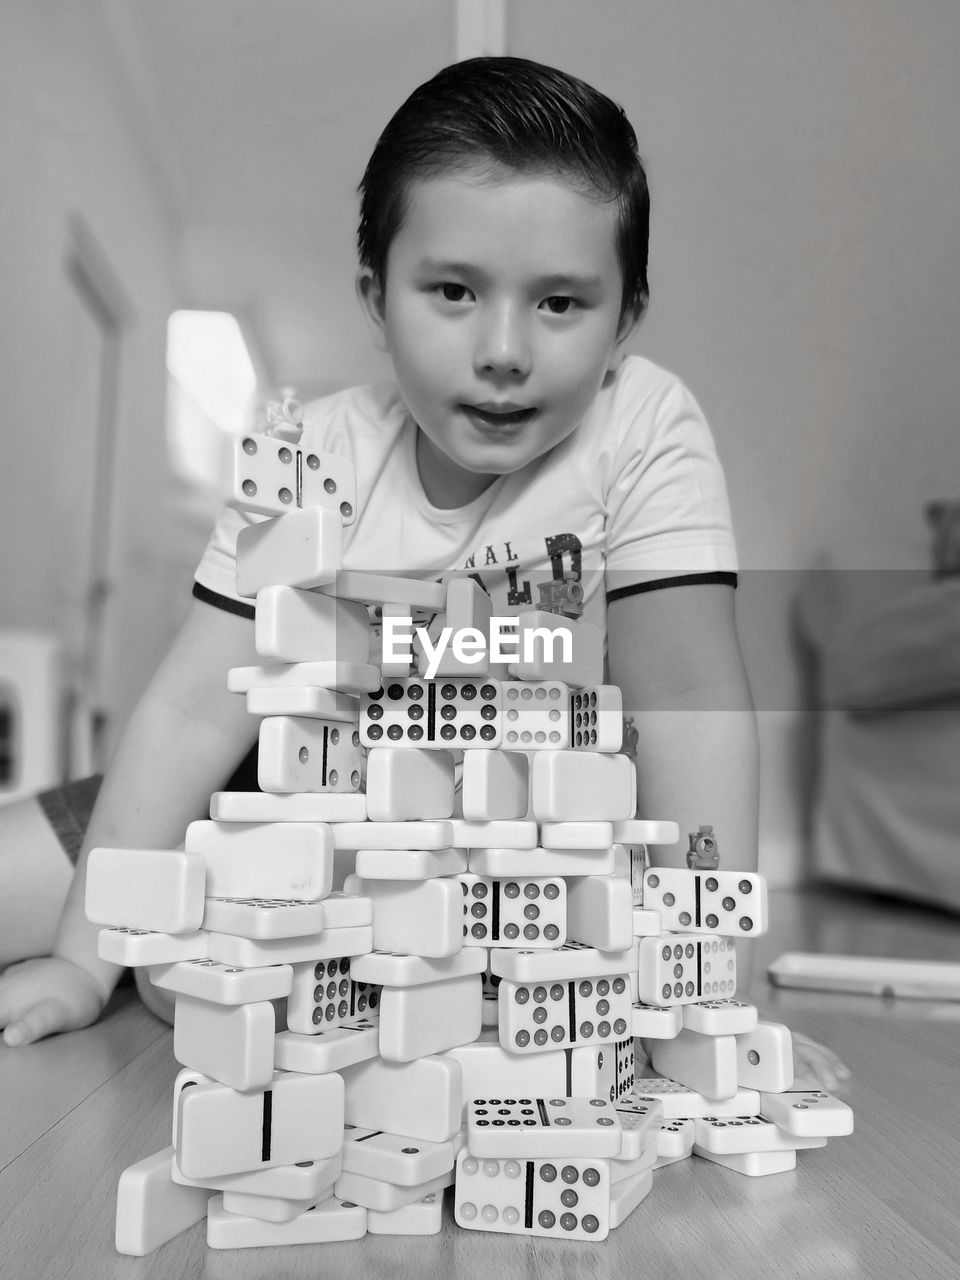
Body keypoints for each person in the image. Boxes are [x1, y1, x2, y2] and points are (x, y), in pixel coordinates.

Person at [0, 57, 848, 1089]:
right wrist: (83, 961)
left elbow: (690, 700)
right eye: (452, 290)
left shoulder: (644, 427)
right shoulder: (312, 451)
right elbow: (188, 714)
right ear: (378, 297)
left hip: (523, 869)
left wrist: (705, 992)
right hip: (266, 805)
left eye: (561, 303)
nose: (502, 350)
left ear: (626, 319)